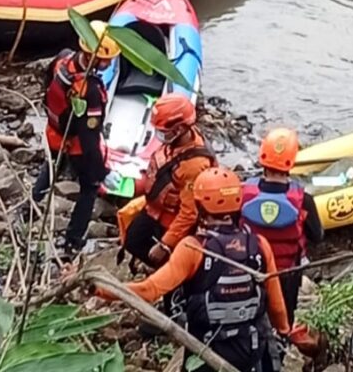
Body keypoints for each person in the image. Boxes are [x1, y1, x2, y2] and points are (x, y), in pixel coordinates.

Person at [106, 166, 291, 372]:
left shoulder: (192, 248)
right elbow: (277, 306)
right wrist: (284, 332)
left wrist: (100, 288)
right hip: (249, 350)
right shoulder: (259, 245)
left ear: (200, 204)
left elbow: (149, 290)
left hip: (204, 352)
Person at [34, 20, 118, 257]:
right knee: (89, 189)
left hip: (54, 133)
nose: (109, 63)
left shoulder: (64, 59)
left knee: (51, 169)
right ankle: (73, 240)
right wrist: (100, 171)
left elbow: (46, 83)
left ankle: (30, 207)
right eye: (107, 59)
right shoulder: (89, 90)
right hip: (76, 145)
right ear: (95, 55)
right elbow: (89, 140)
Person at [240, 127, 323, 324]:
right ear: (291, 162)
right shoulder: (304, 200)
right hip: (286, 275)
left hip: (248, 269)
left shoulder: (244, 193)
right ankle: (282, 342)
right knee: (284, 318)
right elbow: (317, 236)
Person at [123, 94, 216, 268]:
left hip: (170, 221)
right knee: (132, 240)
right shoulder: (176, 142)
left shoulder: (194, 165)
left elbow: (189, 213)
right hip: (154, 209)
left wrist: (165, 244)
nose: (160, 135)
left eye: (163, 131)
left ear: (180, 128)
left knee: (167, 264)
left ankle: (172, 282)